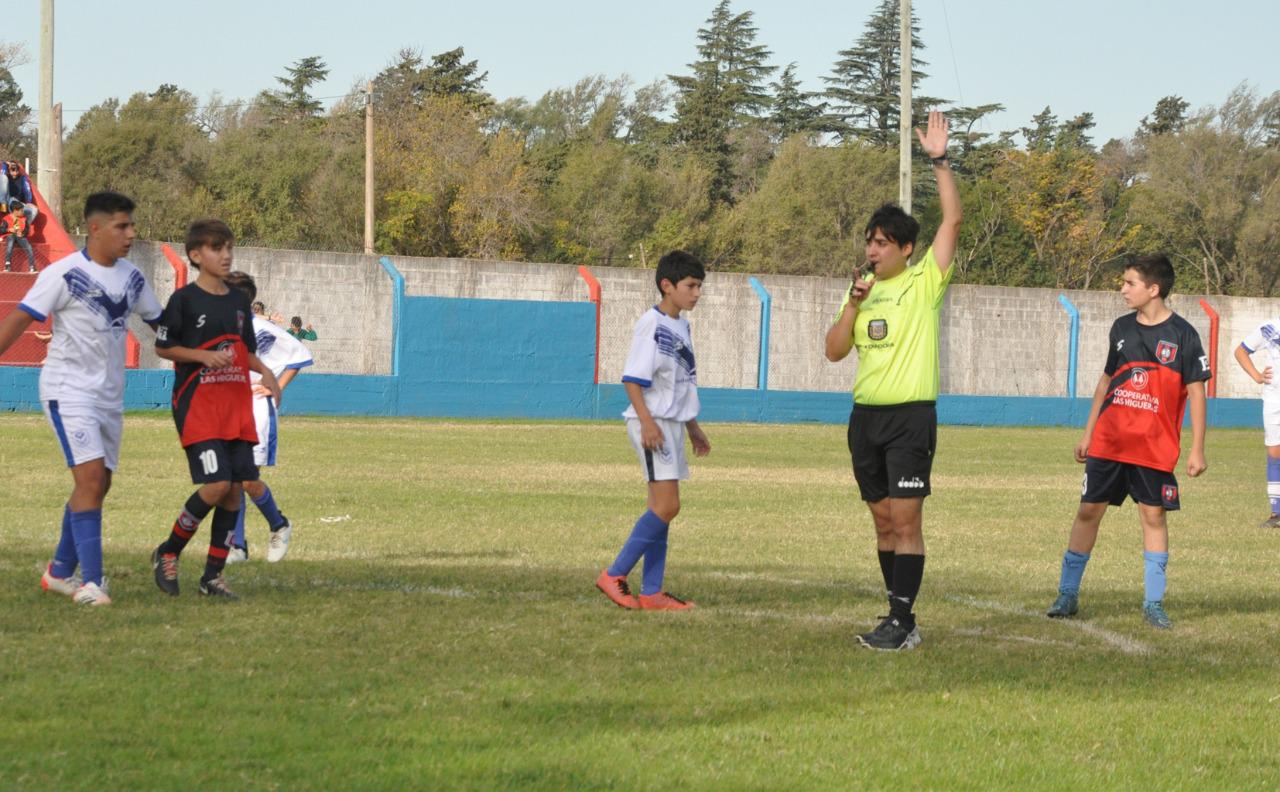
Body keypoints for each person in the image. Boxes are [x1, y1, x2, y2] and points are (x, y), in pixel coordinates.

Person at [823, 111, 961, 651]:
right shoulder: (859, 291)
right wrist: (853, 307)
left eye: (882, 242)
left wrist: (939, 160)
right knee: (882, 524)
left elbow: (951, 223)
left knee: (906, 521)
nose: (872, 250)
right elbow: (834, 352)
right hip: (865, 421)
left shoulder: (924, 282)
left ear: (906, 249)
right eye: (869, 242)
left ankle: (903, 626)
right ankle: (896, 615)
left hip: (910, 419)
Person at [0, 191, 162, 606]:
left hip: (109, 396)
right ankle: (93, 582)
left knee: (98, 484)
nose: (130, 234)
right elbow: (20, 318)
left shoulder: (132, 277)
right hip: (67, 391)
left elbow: (161, 325)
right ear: (95, 228)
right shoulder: (63, 273)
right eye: (121, 226)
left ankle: (58, 571)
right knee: (89, 481)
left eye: (131, 225)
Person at [1046, 254, 1210, 629]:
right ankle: (1067, 594)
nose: (1122, 289)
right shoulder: (1120, 327)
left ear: (1153, 289)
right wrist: (1088, 432)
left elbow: (1197, 393)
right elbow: (1106, 381)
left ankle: (1153, 603)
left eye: (1129, 283)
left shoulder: (1183, 335)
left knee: (1153, 516)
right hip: (1109, 442)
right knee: (1088, 511)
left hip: (1154, 446)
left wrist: (1198, 448)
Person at [150, 219, 281, 600]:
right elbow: (163, 347)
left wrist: (267, 371)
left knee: (233, 491)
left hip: (235, 407)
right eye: (216, 249)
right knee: (217, 484)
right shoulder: (184, 300)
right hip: (197, 407)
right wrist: (201, 357)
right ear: (195, 255)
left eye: (229, 248)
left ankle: (212, 576)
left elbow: (246, 350)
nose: (226, 255)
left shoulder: (239, 302)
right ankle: (169, 550)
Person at [595, 250, 710, 611]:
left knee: (662, 508)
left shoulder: (681, 325)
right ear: (667, 285)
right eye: (691, 286)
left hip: (670, 424)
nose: (697, 293)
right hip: (653, 423)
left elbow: (679, 384)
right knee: (667, 505)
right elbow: (632, 379)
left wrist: (692, 426)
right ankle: (614, 575)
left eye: (699, 286)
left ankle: (652, 592)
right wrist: (646, 421)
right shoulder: (652, 323)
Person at [224, 271, 311, 562]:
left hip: (257, 406)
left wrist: (275, 387)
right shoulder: (222, 329)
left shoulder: (262, 328)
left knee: (246, 478)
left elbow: (299, 355)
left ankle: (279, 524)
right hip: (230, 406)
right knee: (231, 479)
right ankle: (237, 546)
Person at [1233, 322, 1280, 528]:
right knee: (1274, 454)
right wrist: (1258, 376)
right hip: (1274, 399)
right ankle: (1276, 513)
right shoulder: (1271, 328)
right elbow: (1241, 351)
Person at [3, 198, 36, 272]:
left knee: (29, 247)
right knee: (10, 245)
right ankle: (7, 265)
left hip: (20, 237)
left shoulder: (24, 219)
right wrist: (8, 230)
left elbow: (27, 230)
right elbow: (1, 230)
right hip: (10, 236)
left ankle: (32, 267)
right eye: (21, 210)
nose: (23, 212)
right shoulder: (6, 219)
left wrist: (23, 233)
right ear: (15, 211)